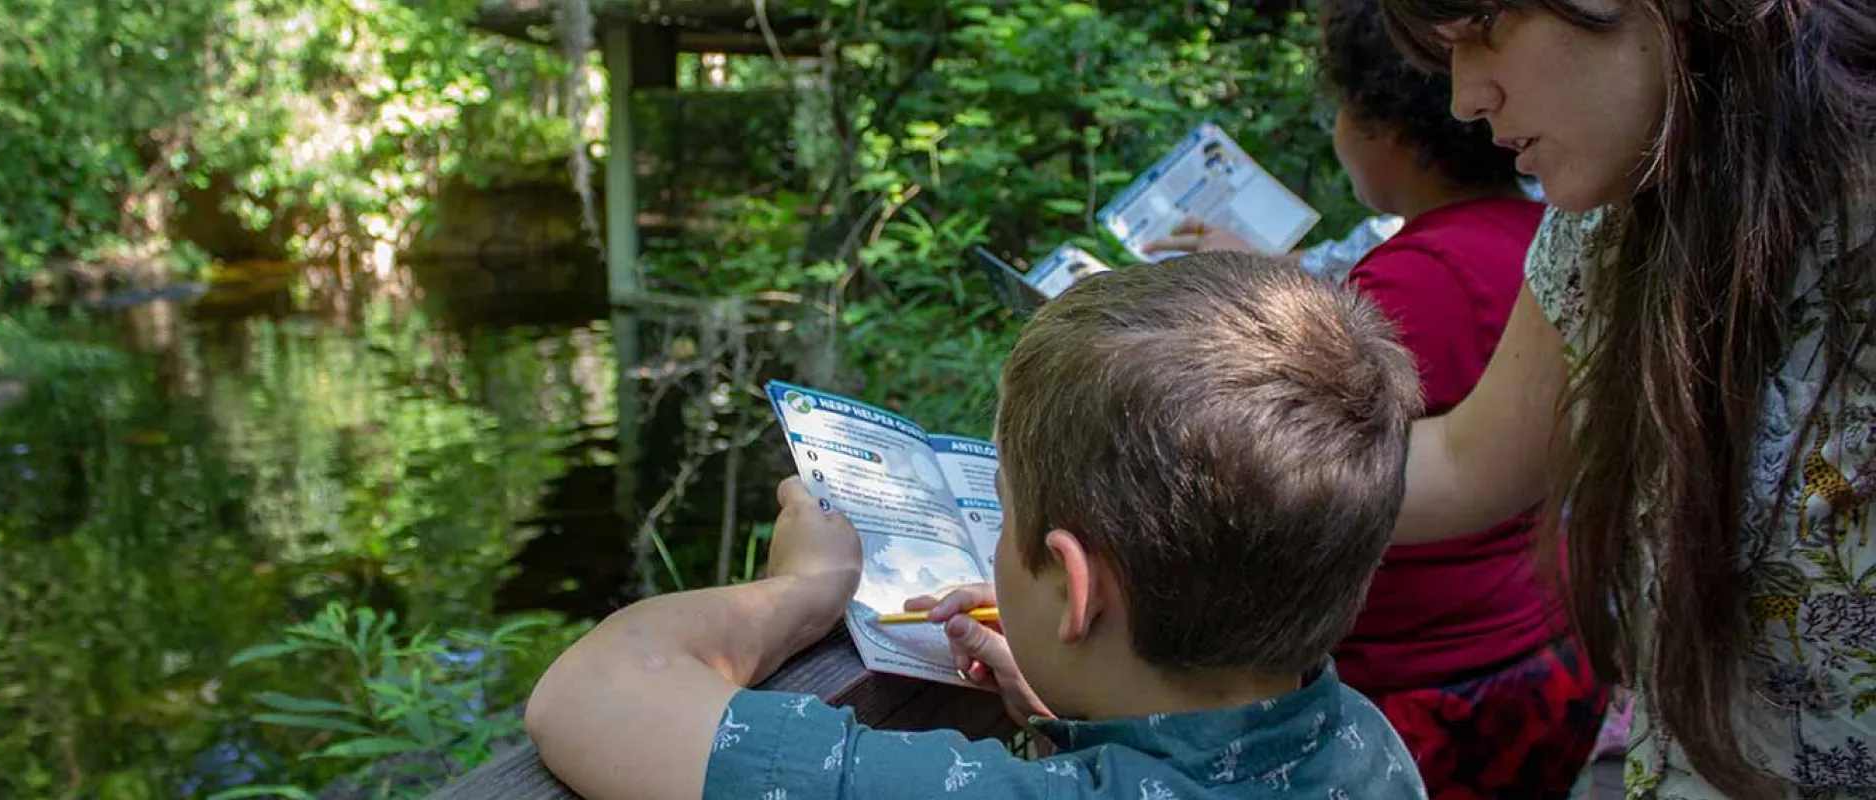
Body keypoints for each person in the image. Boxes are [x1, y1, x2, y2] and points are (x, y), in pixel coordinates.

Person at [523, 253, 1430, 800]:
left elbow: (592, 694)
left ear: (1077, 592)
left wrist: (796, 590)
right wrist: (1077, 708)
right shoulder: (1363, 741)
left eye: (1002, 514)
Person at [1360, 0, 1872, 797]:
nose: (1464, 99)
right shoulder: (1604, 218)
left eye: (1485, 30)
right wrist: (1211, 462)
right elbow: (1465, 460)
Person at [1148, 1, 1611, 795]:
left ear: (1387, 130)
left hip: (1425, 675)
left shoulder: (1408, 281)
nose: (1469, 93)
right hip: (1545, 645)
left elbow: (1308, 447)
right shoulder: (1544, 234)